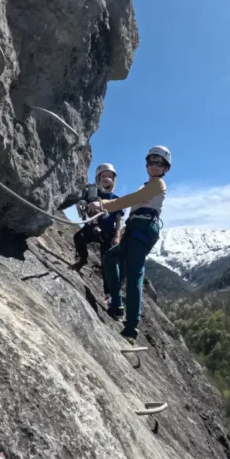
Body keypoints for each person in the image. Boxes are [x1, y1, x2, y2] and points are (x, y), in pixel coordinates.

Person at [87, 146, 171, 345]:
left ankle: (131, 327)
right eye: (151, 161)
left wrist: (103, 205)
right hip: (135, 229)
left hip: (141, 229)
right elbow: (134, 200)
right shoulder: (148, 186)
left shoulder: (158, 184)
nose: (154, 166)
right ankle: (117, 304)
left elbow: (131, 200)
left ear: (165, 168)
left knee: (134, 274)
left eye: (159, 163)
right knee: (109, 257)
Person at [72, 163, 125, 298]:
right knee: (79, 237)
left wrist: (117, 236)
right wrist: (83, 207)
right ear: (98, 178)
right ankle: (83, 259)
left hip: (108, 233)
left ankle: (108, 294)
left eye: (109, 176)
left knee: (106, 262)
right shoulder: (92, 194)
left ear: (114, 179)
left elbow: (119, 219)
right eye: (104, 176)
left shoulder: (115, 199)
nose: (107, 178)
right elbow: (82, 209)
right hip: (91, 227)